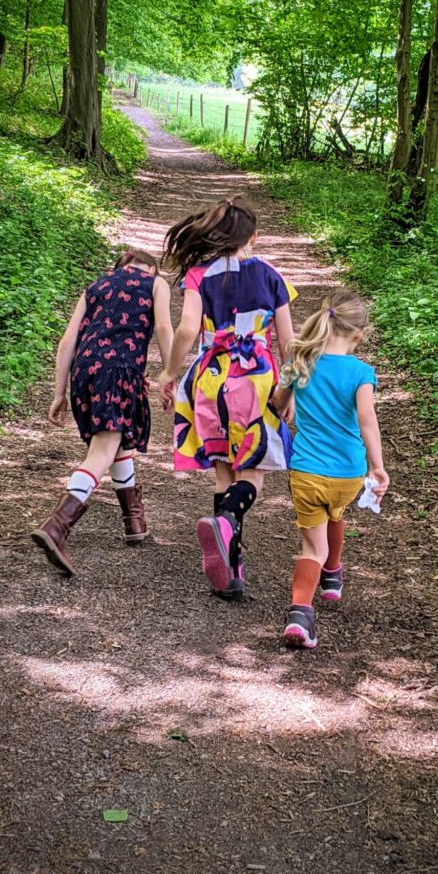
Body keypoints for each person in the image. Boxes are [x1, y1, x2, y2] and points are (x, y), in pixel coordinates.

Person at [158, 195, 296, 601]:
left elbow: (186, 331)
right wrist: (289, 392)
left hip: (211, 379)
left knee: (223, 470)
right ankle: (227, 526)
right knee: (252, 471)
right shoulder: (272, 275)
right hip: (256, 380)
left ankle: (231, 570)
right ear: (253, 236)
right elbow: (288, 344)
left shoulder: (198, 275)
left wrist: (169, 372)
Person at [31, 248, 174, 575]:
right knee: (102, 451)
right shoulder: (155, 283)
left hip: (85, 373)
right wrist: (170, 376)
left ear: (119, 266)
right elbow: (165, 330)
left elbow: (68, 340)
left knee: (117, 441)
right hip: (118, 374)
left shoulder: (96, 286)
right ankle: (57, 526)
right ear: (151, 268)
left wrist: (58, 393)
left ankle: (134, 521)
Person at [272, 288, 389, 649]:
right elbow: (367, 420)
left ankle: (300, 616)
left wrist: (287, 402)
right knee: (335, 511)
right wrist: (377, 467)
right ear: (358, 334)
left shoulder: (301, 361)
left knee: (312, 548)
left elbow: (278, 401)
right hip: (347, 474)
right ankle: (333, 578)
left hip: (306, 470)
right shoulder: (360, 372)